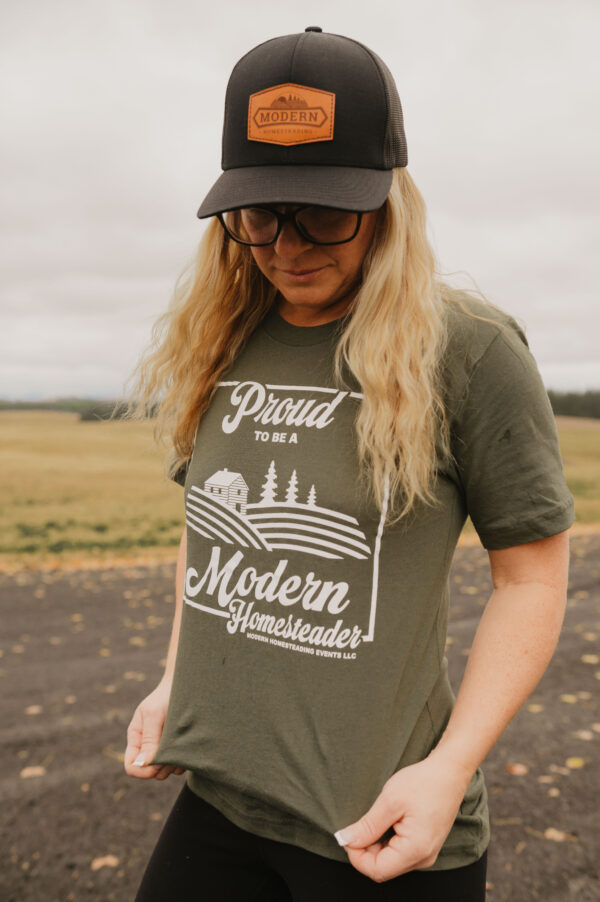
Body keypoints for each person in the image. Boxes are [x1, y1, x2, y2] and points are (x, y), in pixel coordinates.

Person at [124, 27, 574, 901]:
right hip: (220, 803)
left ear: (388, 203)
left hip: (383, 832)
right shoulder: (225, 337)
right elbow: (210, 536)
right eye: (260, 216)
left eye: (325, 214)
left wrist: (448, 772)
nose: (288, 246)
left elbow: (532, 580)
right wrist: (176, 679)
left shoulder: (469, 352)